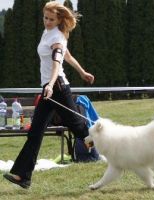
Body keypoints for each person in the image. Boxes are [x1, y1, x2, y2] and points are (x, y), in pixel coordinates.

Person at [3, 2, 94, 189]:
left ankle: (107, 148)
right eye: (45, 18)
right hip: (49, 88)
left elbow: (57, 62)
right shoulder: (49, 33)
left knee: (78, 126)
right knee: (35, 132)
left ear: (60, 19)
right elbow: (68, 56)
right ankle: (23, 176)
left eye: (52, 19)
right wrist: (82, 72)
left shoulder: (57, 37)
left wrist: (51, 85)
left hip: (57, 88)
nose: (47, 22)